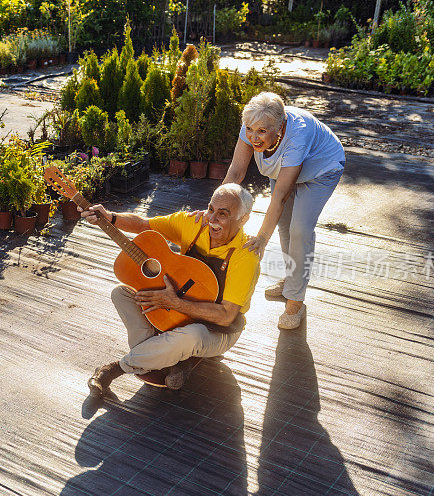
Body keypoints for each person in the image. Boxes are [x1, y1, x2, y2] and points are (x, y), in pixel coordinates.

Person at [81, 183, 260, 397]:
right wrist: (110, 217)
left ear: (244, 219)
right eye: (211, 209)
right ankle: (173, 361)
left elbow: (226, 316)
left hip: (216, 330)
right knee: (121, 293)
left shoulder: (246, 255)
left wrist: (175, 303)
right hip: (177, 315)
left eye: (222, 214)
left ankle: (115, 368)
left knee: (192, 336)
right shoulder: (192, 223)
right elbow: (143, 225)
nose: (212, 219)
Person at [221, 91, 345, 329]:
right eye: (249, 129)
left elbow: (279, 196)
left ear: (279, 127)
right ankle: (290, 279)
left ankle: (295, 300)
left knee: (300, 229)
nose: (253, 137)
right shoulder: (253, 124)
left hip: (322, 169)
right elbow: (235, 173)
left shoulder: (297, 136)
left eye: (262, 132)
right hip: (284, 169)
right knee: (284, 225)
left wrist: (262, 238)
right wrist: (215, 208)